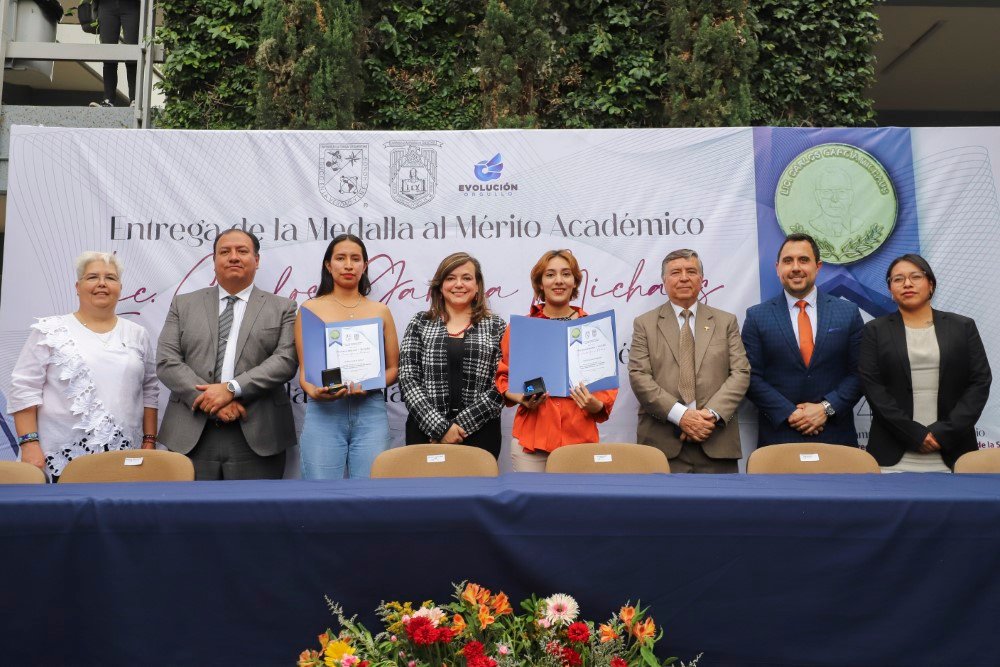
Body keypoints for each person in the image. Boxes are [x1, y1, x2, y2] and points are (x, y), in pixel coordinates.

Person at [157, 229, 298, 480]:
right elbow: (167, 361)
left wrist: (231, 389)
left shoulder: (283, 307)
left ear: (257, 260)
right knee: (190, 506)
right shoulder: (183, 304)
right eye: (225, 252)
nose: (233, 257)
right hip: (190, 430)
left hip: (259, 432)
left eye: (242, 251)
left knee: (255, 506)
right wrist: (211, 399)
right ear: (214, 261)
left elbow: (285, 361)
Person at [8, 252, 158, 479]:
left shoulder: (137, 334)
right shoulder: (51, 331)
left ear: (120, 287)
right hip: (59, 458)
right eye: (92, 277)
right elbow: (24, 388)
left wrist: (149, 440)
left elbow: (150, 390)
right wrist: (29, 444)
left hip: (126, 456)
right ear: (78, 287)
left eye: (110, 277)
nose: (102, 283)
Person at [859, 254, 991, 472]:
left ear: (931, 284)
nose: (907, 284)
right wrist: (914, 434)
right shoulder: (875, 330)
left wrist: (942, 434)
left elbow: (980, 382)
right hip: (891, 455)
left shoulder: (962, 327)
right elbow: (873, 388)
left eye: (916, 277)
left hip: (955, 453)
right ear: (890, 290)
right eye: (898, 279)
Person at [628, 249, 750, 473]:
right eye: (675, 272)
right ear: (664, 280)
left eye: (691, 271)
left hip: (716, 439)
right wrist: (681, 416)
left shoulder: (726, 322)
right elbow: (639, 376)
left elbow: (740, 373)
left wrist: (709, 415)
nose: (684, 278)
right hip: (662, 446)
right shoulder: (644, 324)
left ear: (701, 279)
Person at [495, 249, 617, 471]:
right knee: (531, 496)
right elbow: (503, 378)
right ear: (540, 283)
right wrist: (522, 398)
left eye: (566, 274)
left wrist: (596, 405)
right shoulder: (521, 328)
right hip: (532, 441)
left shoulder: (595, 328)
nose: (558, 280)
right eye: (550, 275)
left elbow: (606, 386)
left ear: (575, 282)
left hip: (580, 440)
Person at [742, 233, 864, 447]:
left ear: (818, 266)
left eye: (804, 260)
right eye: (788, 261)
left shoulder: (848, 312)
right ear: (777, 268)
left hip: (835, 436)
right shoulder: (757, 316)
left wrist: (825, 409)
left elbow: (860, 373)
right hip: (780, 437)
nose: (796, 267)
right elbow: (750, 377)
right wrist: (790, 413)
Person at [294, 234, 399, 479]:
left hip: (370, 411)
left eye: (355, 259)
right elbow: (305, 372)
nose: (348, 265)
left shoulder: (380, 311)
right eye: (340, 258)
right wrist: (314, 392)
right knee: (320, 491)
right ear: (328, 265)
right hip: (324, 411)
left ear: (365, 266)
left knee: (370, 492)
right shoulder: (310, 309)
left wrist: (370, 383)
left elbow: (394, 368)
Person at [399, 252, 506, 458]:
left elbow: (501, 383)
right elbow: (407, 378)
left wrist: (458, 427)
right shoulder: (420, 323)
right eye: (450, 278)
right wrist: (440, 428)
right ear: (440, 286)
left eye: (466, 278)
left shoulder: (496, 326)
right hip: (426, 432)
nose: (459, 284)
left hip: (481, 433)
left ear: (477, 286)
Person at [96, 0, 141, 106]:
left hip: (131, 5)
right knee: (109, 54)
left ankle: (135, 100)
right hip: (106, 5)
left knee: (133, 54)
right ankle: (108, 99)